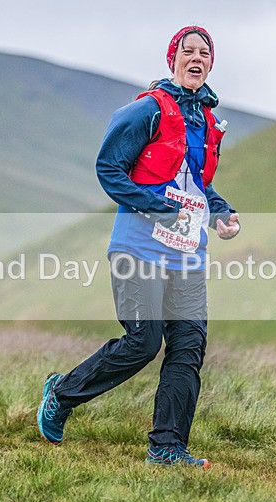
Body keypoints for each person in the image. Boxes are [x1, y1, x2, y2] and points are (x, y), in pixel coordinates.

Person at [37, 26, 240, 468]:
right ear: (172, 59)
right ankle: (62, 394)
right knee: (143, 343)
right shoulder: (147, 110)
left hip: (186, 252)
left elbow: (195, 184)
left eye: (204, 53)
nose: (196, 58)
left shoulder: (207, 122)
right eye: (188, 51)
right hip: (138, 247)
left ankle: (167, 447)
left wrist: (222, 212)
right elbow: (109, 168)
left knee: (188, 347)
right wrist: (158, 208)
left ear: (211, 64)